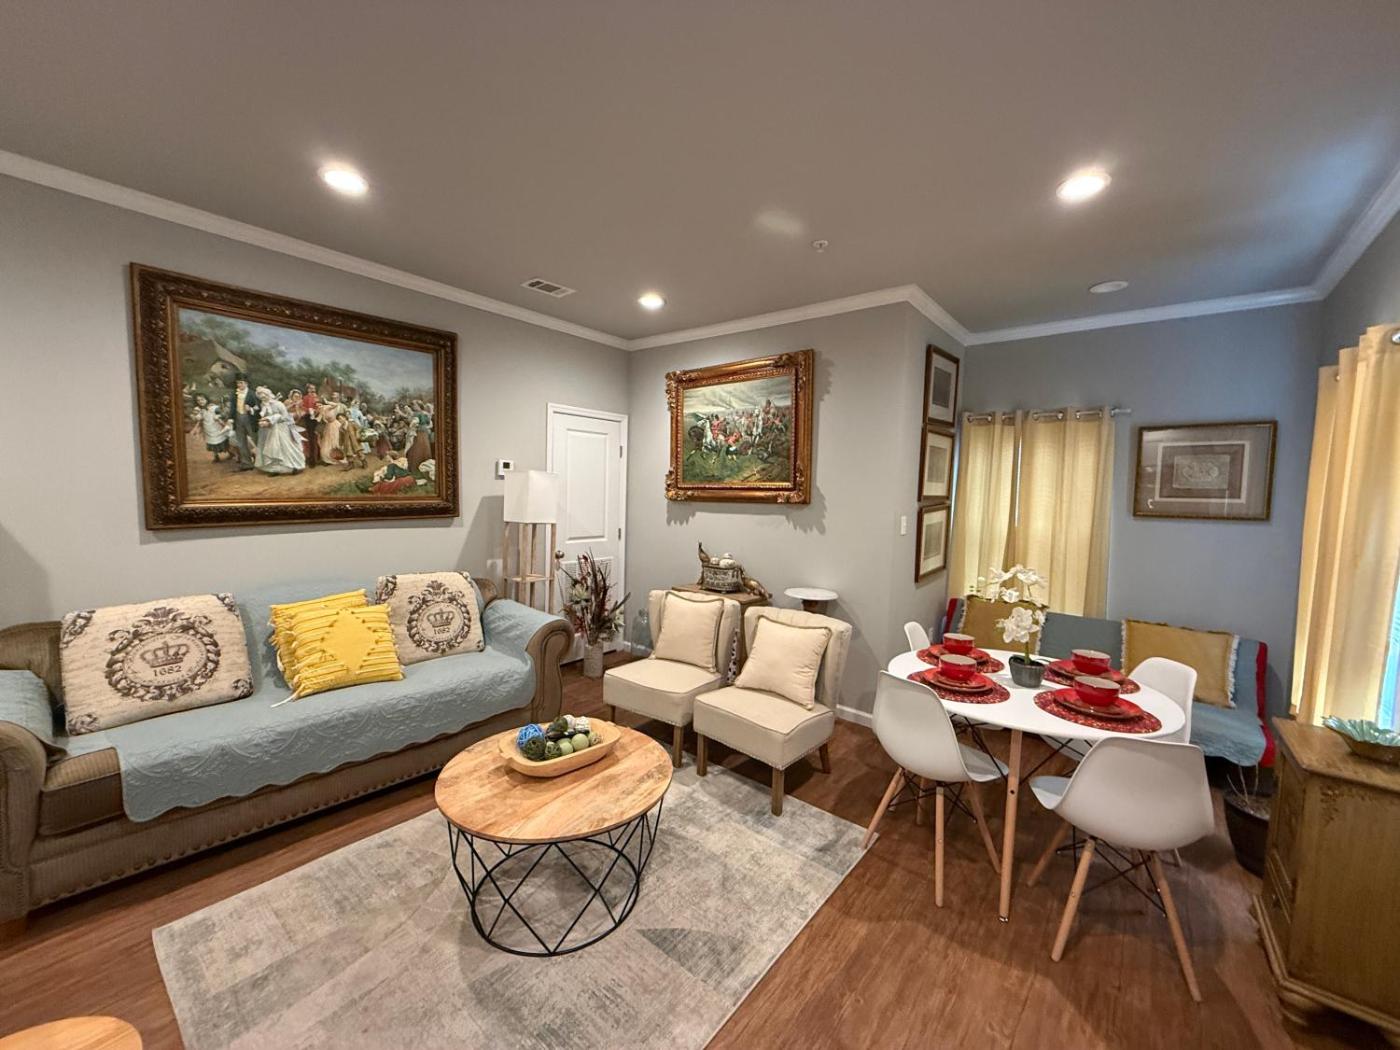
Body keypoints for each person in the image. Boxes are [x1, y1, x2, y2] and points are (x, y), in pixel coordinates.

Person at [253, 387, 306, 475]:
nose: (263, 397)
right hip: (268, 430)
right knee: (271, 448)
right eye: (260, 396)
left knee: (284, 447)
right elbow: (264, 415)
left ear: (268, 395)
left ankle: (293, 467)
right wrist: (264, 421)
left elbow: (284, 416)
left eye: (264, 395)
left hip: (281, 428)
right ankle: (275, 469)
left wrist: (271, 420)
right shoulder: (263, 405)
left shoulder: (278, 404)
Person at [228, 377, 260, 470]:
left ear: (246, 383)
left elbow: (258, 407)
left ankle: (262, 461)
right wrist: (231, 418)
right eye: (238, 383)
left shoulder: (252, 394)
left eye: (241, 383)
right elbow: (232, 407)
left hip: (250, 419)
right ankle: (246, 463)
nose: (239, 385)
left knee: (256, 440)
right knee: (241, 441)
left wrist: (251, 409)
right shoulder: (235, 394)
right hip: (238, 418)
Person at [196, 397, 233, 462]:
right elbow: (200, 418)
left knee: (222, 441)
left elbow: (223, 413)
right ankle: (216, 456)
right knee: (211, 442)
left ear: (206, 399)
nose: (200, 401)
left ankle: (231, 453)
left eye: (202, 399)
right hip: (208, 428)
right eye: (198, 400)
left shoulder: (213, 407)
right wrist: (198, 417)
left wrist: (219, 416)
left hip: (216, 427)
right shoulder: (200, 409)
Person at [300, 383, 320, 467]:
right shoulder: (305, 397)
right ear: (308, 389)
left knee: (314, 437)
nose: (313, 390)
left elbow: (319, 407)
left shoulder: (317, 397)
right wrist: (308, 410)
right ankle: (311, 459)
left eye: (314, 388)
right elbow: (303, 407)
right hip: (307, 418)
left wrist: (316, 411)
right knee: (309, 438)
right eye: (311, 388)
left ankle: (316, 458)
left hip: (315, 418)